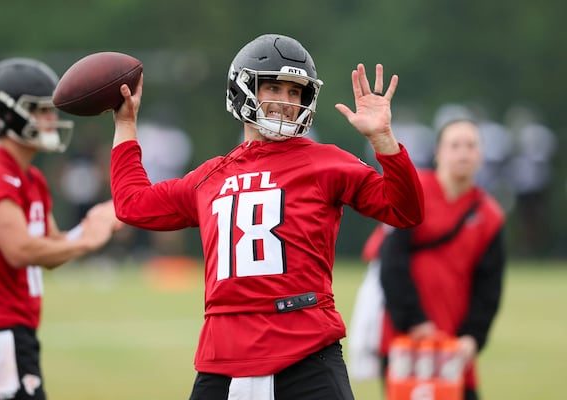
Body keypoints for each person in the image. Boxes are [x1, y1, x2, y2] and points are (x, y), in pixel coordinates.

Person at [110, 33, 425, 400]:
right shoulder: (212, 176)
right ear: (242, 89)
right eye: (273, 87)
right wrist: (125, 126)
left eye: (295, 93)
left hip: (306, 350)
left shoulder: (326, 162)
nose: (286, 102)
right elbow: (132, 204)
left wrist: (384, 139)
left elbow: (405, 210)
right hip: (222, 359)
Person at [0, 58, 121, 400]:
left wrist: (94, 225)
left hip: (18, 329)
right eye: (42, 111)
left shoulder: (31, 178)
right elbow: (20, 250)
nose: (52, 120)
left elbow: (51, 249)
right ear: (11, 115)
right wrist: (87, 244)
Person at [353, 118, 506, 400]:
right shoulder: (415, 192)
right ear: (439, 152)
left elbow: (489, 286)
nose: (463, 153)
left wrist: (473, 336)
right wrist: (414, 320)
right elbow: (392, 262)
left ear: (481, 154)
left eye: (470, 146)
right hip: (406, 337)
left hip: (455, 343)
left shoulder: (489, 215)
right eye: (455, 145)